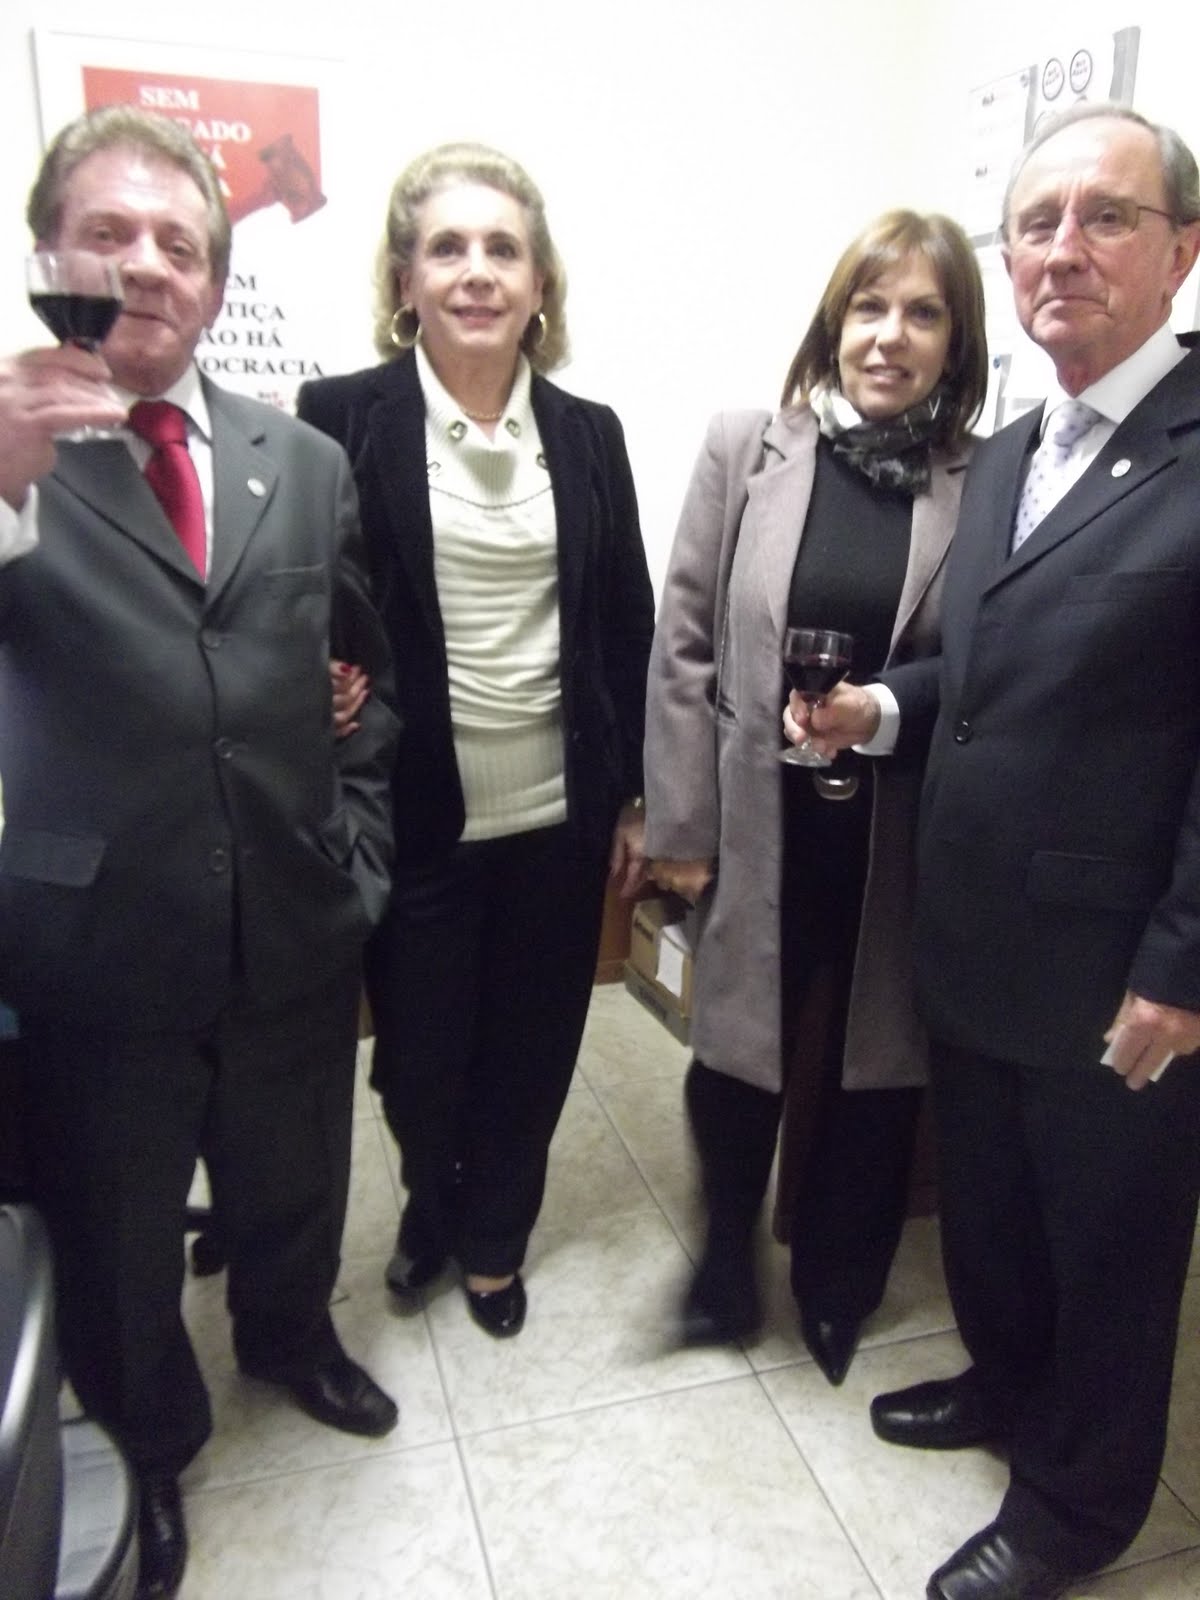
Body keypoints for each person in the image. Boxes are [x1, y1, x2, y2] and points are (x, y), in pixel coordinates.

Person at [786, 103, 1200, 1600]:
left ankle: (1077, 1508)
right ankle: (1008, 1387)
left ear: (1184, 250)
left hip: (1121, 969)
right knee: (1000, 1215)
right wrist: (881, 709)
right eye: (1036, 223)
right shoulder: (1017, 447)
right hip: (972, 937)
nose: (1062, 250)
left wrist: (1184, 967)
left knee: (1108, 1251)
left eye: (1107, 217)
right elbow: (985, 668)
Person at [0, 107, 401, 1600]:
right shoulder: (14, 447)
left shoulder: (302, 460)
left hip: (293, 914)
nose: (146, 265)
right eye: (108, 233)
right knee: (118, 1226)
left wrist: (356, 846)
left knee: (295, 1177)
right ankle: (151, 1441)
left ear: (217, 281)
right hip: (100, 935)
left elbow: (360, 674)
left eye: (178, 242)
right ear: (50, 259)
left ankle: (291, 1337)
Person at [296, 142, 655, 1341]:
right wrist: (314, 686)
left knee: (534, 1046)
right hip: (414, 810)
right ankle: (430, 1198)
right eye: (446, 246)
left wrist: (640, 797)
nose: (477, 270)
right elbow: (306, 598)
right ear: (404, 279)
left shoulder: (590, 434)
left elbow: (627, 622)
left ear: (541, 282)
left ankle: (493, 1237)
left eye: (504, 247)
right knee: (417, 1059)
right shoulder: (338, 417)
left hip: (561, 808)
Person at [643, 211, 987, 1380]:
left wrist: (882, 707)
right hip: (759, 825)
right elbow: (684, 645)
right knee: (735, 1056)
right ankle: (723, 1270)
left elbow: (977, 664)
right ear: (833, 324)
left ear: (956, 341)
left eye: (924, 313)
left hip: (898, 838)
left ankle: (841, 1287)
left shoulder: (982, 479)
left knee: (876, 1071)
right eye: (869, 307)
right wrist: (681, 828)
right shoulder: (748, 448)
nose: (891, 336)